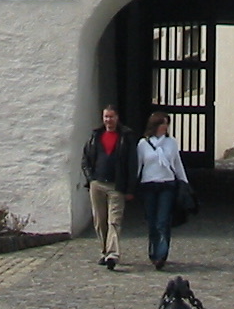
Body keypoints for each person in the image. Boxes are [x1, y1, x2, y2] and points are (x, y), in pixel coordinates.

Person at [80, 104, 137, 270]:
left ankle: (113, 254)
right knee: (100, 221)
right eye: (106, 117)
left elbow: (132, 164)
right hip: (97, 183)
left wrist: (130, 188)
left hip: (116, 185)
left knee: (114, 220)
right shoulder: (96, 136)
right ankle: (104, 251)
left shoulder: (125, 137)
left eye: (111, 117)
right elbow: (85, 159)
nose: (108, 120)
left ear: (117, 118)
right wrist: (91, 179)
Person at [137, 111, 188, 271]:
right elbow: (139, 166)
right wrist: (131, 185)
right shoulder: (143, 144)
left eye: (166, 123)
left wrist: (184, 182)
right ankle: (153, 251)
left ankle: (162, 254)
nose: (165, 126)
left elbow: (177, 163)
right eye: (162, 123)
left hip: (167, 185)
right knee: (152, 221)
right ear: (155, 125)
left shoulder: (171, 143)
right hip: (149, 185)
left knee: (163, 220)